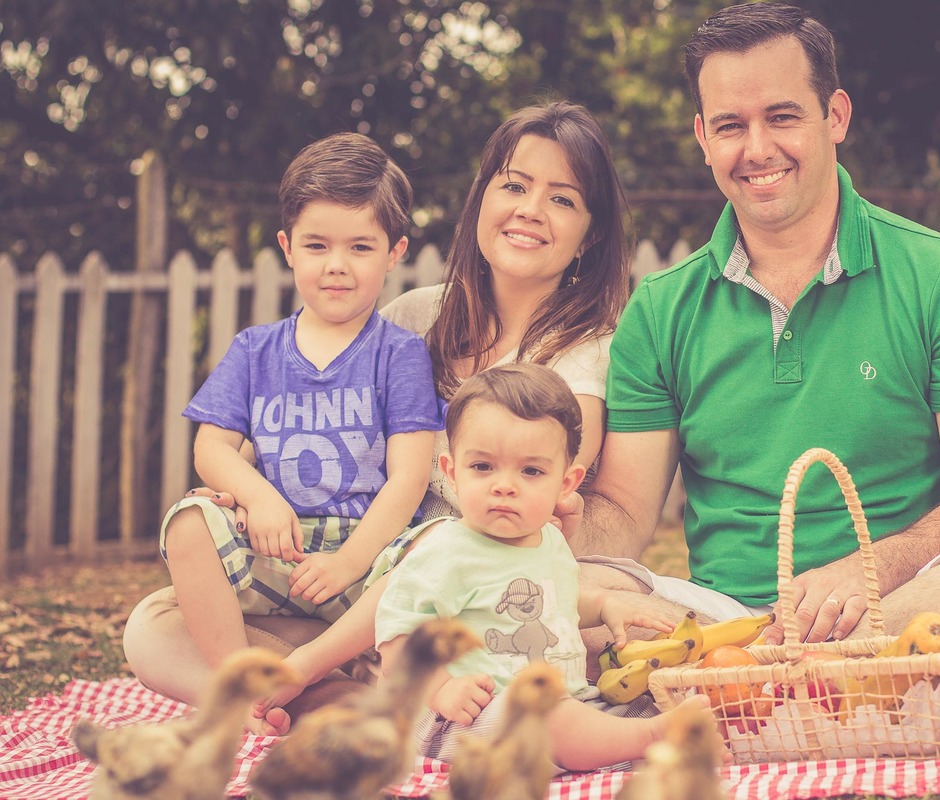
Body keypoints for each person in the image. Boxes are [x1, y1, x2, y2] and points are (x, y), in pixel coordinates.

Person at [568, 3, 940, 662]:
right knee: (551, 590)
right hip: (723, 616)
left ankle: (780, 675)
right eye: (731, 126)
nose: (757, 150)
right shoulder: (662, 308)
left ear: (835, 115)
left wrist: (869, 571)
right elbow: (624, 516)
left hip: (901, 602)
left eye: (782, 117)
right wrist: (546, 520)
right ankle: (773, 672)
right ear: (703, 138)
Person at [123, 101, 632, 728]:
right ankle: (320, 697)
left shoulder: (585, 352)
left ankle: (323, 682)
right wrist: (240, 491)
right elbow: (262, 439)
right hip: (326, 575)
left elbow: (535, 500)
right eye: (515, 185)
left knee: (429, 560)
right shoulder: (413, 318)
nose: (529, 209)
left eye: (562, 199)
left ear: (592, 231)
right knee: (152, 626)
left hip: (450, 584)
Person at [268, 363, 713, 771]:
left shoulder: (551, 542)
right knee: (547, 720)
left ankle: (642, 736)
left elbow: (550, 603)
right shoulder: (447, 549)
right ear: (452, 471)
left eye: (531, 472)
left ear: (567, 482)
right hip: (464, 715)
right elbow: (397, 632)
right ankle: (648, 739)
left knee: (646, 698)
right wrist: (441, 689)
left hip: (565, 701)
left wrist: (603, 606)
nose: (504, 486)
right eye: (483, 466)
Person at [145, 132, 441, 734]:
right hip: (278, 553)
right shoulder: (255, 351)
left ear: (394, 252)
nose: (337, 264)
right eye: (317, 245)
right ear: (287, 248)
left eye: (361, 246)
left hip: (369, 564)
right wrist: (259, 497)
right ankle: (247, 694)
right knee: (186, 526)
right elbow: (211, 448)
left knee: (437, 544)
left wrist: (352, 561)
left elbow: (410, 477)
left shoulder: (400, 354)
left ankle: (339, 671)